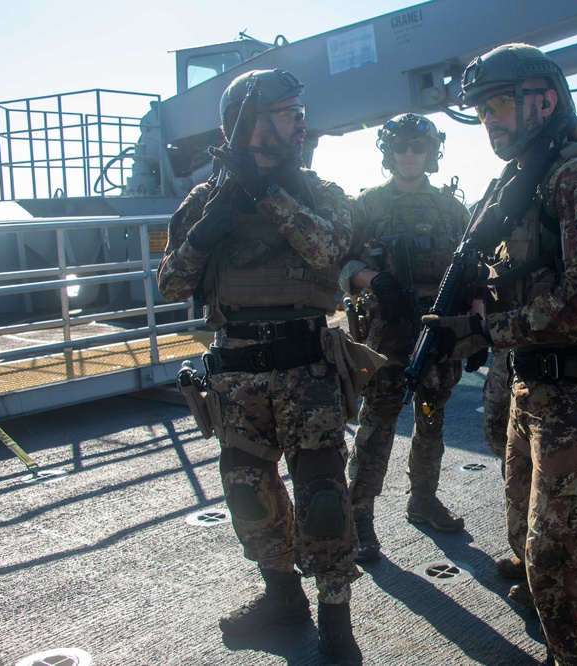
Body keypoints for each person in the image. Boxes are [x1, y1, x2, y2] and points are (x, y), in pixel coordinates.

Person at [426, 43, 577, 666]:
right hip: (533, 386)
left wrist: (485, 332)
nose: (490, 121)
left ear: (545, 100)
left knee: (565, 569)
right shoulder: (524, 177)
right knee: (529, 540)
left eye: (500, 104)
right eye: (483, 111)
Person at [156, 69, 363, 665]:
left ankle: (336, 617)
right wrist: (211, 223)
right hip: (236, 371)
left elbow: (329, 248)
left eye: (300, 109)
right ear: (248, 124)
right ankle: (282, 596)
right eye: (286, 110)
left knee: (322, 494)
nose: (301, 119)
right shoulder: (203, 201)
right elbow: (172, 282)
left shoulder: (317, 190)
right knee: (247, 492)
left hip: (307, 366)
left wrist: (267, 193)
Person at [338, 113, 470, 563]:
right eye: (401, 147)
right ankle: (360, 517)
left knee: (431, 416)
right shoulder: (367, 205)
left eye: (418, 146)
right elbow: (341, 264)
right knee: (378, 423)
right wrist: (376, 280)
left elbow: (476, 268)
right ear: (388, 152)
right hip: (386, 332)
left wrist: (473, 328)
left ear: (432, 153)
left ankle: (423, 498)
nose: (409, 154)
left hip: (437, 328)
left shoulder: (453, 209)